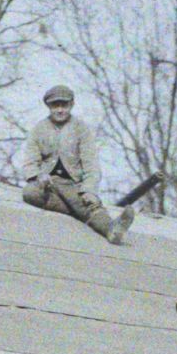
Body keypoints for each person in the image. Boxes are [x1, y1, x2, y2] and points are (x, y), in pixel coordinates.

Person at [20, 85, 134, 244]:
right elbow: (30, 162)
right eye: (55, 106)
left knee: (87, 202)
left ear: (71, 105)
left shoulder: (81, 129)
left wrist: (89, 190)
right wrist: (38, 176)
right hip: (48, 186)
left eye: (64, 105)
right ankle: (79, 211)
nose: (60, 110)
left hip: (73, 185)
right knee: (29, 193)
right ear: (48, 106)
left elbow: (91, 165)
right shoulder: (39, 129)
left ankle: (111, 229)